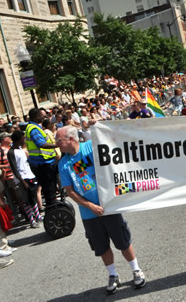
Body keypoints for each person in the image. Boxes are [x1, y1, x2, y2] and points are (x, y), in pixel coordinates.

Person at [56, 126, 145, 295]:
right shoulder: (63, 163)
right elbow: (70, 190)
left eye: (59, 140)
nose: (56, 144)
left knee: (122, 240)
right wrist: (90, 206)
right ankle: (113, 275)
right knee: (101, 245)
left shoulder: (91, 146)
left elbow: (114, 147)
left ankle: (136, 270)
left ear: (71, 139)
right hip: (89, 213)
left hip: (109, 206)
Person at [25, 108, 58, 209]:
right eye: (41, 115)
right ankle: (53, 209)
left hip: (45, 163)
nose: (43, 117)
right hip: (42, 164)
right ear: (36, 116)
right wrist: (58, 145)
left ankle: (54, 206)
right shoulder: (33, 129)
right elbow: (41, 144)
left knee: (51, 188)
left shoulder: (35, 127)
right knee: (49, 189)